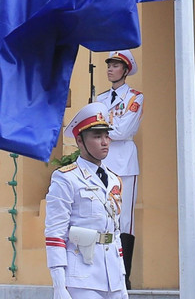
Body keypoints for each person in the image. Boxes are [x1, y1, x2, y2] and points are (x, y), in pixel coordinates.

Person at [45, 101, 128, 299]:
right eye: (97, 136)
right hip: (82, 276)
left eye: (106, 135)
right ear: (80, 141)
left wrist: (122, 280)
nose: (105, 142)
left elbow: (115, 233)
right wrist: (59, 285)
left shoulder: (114, 179)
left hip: (114, 277)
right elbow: (55, 233)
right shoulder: (66, 178)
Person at [95, 49, 143, 288]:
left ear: (125, 70)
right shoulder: (100, 99)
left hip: (124, 162)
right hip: (102, 162)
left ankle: (125, 276)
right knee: (102, 216)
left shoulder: (135, 97)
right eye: (109, 65)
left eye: (115, 66)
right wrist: (109, 129)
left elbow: (125, 131)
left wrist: (103, 129)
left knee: (125, 220)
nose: (110, 69)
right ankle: (105, 271)